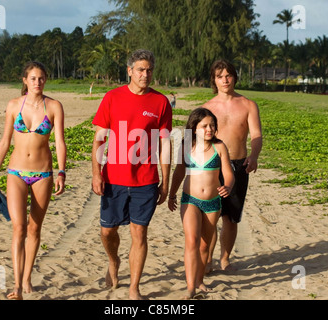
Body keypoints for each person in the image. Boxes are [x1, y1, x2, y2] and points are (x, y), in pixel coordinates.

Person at [91, 49, 172, 300]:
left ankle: (134, 288)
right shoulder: (112, 98)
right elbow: (99, 140)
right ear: (129, 71)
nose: (145, 74)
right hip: (113, 178)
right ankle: (113, 261)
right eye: (140, 70)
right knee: (108, 231)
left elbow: (166, 144)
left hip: (146, 180)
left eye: (149, 70)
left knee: (139, 234)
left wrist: (165, 182)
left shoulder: (160, 102)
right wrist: (96, 173)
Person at [0, 61, 67, 300]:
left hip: (43, 174)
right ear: (25, 80)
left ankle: (27, 277)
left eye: (41, 78)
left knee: (34, 228)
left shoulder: (54, 106)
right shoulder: (13, 106)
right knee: (19, 227)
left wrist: (62, 171)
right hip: (16, 173)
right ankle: (17, 287)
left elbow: (60, 142)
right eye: (33, 78)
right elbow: (4, 142)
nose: (37, 82)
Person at [168, 108, 234, 299]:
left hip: (213, 203)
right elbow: (179, 172)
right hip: (190, 200)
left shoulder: (219, 146)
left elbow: (228, 173)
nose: (209, 129)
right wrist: (172, 195)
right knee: (191, 241)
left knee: (205, 246)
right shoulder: (186, 146)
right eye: (204, 125)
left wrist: (228, 186)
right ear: (194, 127)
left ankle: (199, 280)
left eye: (212, 125)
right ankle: (191, 288)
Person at [203, 59, 262, 272]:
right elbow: (198, 140)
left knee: (231, 217)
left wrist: (254, 155)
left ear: (235, 77)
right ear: (214, 80)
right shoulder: (206, 108)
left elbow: (256, 134)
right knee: (210, 216)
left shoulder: (248, 105)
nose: (225, 80)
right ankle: (207, 259)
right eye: (220, 76)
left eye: (228, 75)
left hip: (238, 166)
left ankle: (225, 258)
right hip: (212, 167)